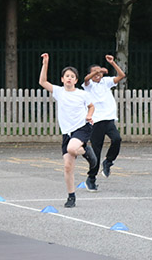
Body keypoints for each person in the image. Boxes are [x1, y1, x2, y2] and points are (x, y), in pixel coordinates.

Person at [39, 53, 97, 208]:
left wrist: (89, 116)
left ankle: (86, 152)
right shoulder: (59, 92)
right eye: (67, 76)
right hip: (67, 133)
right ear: (62, 79)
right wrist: (46, 63)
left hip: (82, 128)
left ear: (76, 80)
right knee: (67, 166)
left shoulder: (82, 94)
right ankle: (71, 196)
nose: (69, 78)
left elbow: (91, 106)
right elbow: (42, 81)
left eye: (72, 76)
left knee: (72, 148)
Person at [83, 55, 126, 192]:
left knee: (117, 139)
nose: (98, 74)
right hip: (96, 122)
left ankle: (108, 162)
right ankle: (91, 178)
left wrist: (112, 63)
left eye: (100, 72)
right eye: (95, 72)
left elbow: (121, 75)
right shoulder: (88, 86)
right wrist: (97, 71)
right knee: (96, 150)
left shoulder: (106, 82)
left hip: (108, 119)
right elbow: (86, 79)